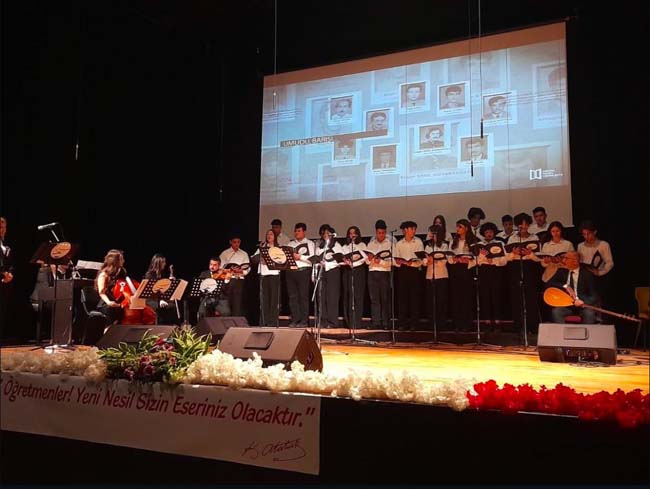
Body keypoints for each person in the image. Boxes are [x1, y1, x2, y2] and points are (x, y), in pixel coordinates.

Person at [506, 213, 541, 336]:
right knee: (517, 297)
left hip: (530, 267)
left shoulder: (534, 237)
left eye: (526, 224)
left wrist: (530, 254)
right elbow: (507, 257)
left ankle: (533, 326)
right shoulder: (512, 238)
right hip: (516, 266)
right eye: (521, 224)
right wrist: (514, 253)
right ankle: (519, 326)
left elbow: (539, 258)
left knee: (530, 297)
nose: (523, 226)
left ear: (529, 224)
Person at [546, 251, 599, 324]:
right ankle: (562, 331)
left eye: (566, 258)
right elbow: (549, 284)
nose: (563, 261)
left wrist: (583, 302)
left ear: (575, 261)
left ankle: (586, 331)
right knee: (556, 312)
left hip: (583, 306)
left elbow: (594, 296)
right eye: (563, 258)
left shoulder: (587, 274)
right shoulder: (561, 271)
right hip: (567, 305)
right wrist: (565, 285)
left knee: (589, 313)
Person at [476, 222, 508, 330]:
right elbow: (476, 261)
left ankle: (498, 319)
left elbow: (505, 260)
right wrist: (483, 257)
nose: (489, 234)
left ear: (494, 232)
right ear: (483, 233)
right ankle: (487, 320)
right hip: (484, 271)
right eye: (486, 232)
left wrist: (494, 261)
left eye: (491, 232)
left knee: (496, 295)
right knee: (485, 295)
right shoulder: (480, 244)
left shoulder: (500, 243)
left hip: (496, 270)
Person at [447, 219, 477, 332]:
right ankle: (457, 323)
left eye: (460, 227)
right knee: (456, 297)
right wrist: (453, 259)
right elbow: (449, 256)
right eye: (457, 227)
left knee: (466, 297)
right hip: (455, 269)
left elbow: (477, 257)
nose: (458, 229)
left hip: (467, 270)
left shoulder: (472, 241)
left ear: (466, 228)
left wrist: (468, 261)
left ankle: (466, 323)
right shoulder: (453, 241)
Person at [394, 221, 424, 331]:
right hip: (402, 271)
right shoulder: (399, 243)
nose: (414, 231)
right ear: (405, 230)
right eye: (412, 229)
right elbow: (395, 260)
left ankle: (414, 324)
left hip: (414, 271)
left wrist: (412, 263)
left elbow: (421, 260)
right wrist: (399, 262)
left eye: (415, 229)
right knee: (402, 298)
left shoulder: (418, 242)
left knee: (414, 298)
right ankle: (402, 323)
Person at [577, 220, 614, 305]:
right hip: (584, 277)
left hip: (598, 277)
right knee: (586, 300)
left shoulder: (603, 245)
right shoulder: (580, 246)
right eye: (584, 234)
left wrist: (600, 272)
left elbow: (609, 262)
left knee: (598, 299)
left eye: (588, 234)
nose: (586, 236)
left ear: (595, 232)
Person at [314, 224, 344, 328]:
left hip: (332, 272)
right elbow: (316, 260)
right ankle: (323, 321)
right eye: (323, 233)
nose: (325, 235)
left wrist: (326, 264)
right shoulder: (320, 246)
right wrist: (315, 272)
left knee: (332, 297)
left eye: (327, 233)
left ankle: (332, 322)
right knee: (321, 297)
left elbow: (340, 260)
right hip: (321, 272)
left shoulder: (336, 245)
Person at [287, 222, 315, 327]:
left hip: (304, 271)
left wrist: (300, 257)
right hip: (291, 271)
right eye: (295, 231)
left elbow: (312, 259)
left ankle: (304, 320)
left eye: (299, 231)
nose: (296, 233)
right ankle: (295, 319)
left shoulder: (310, 243)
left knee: (303, 296)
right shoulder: (290, 244)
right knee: (292, 297)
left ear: (304, 232)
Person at [365, 220, 392, 329]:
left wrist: (380, 261)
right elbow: (366, 261)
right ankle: (375, 322)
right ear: (376, 232)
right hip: (372, 273)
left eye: (383, 233)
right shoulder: (371, 244)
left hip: (384, 273)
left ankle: (385, 323)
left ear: (385, 232)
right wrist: (369, 259)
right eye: (379, 233)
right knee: (374, 299)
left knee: (385, 299)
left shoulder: (389, 244)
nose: (381, 235)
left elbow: (391, 262)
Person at [341, 226, 368, 330]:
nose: (352, 235)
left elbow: (364, 258)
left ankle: (357, 322)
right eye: (350, 233)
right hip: (347, 271)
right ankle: (349, 323)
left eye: (354, 233)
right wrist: (346, 262)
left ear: (357, 234)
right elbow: (341, 258)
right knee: (348, 296)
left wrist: (354, 264)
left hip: (358, 271)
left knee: (358, 296)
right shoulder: (345, 246)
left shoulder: (362, 245)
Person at [253, 230, 281, 327]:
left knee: (273, 299)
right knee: (264, 299)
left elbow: (282, 260)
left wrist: (271, 260)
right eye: (267, 234)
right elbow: (253, 258)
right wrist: (261, 258)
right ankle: (264, 321)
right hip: (263, 275)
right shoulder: (262, 247)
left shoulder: (278, 247)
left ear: (275, 236)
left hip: (274, 274)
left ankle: (272, 321)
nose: (269, 236)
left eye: (271, 234)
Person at [424, 224, 449, 330]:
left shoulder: (444, 245)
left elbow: (444, 260)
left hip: (441, 275)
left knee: (441, 300)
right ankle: (432, 323)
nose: (431, 235)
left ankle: (441, 323)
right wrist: (427, 261)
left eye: (432, 233)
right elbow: (424, 260)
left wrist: (433, 260)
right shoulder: (428, 246)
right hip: (430, 275)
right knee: (431, 301)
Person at [219, 234, 251, 316]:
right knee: (228, 300)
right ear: (230, 242)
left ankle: (236, 318)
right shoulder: (225, 253)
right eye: (234, 242)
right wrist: (230, 270)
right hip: (229, 279)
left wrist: (241, 271)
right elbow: (220, 267)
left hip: (239, 279)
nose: (236, 244)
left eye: (238, 242)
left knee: (238, 302)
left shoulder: (244, 254)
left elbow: (248, 268)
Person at [95, 249, 127, 325]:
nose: (123, 261)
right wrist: (109, 302)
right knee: (111, 310)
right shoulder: (104, 275)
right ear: (115, 261)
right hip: (105, 303)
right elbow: (101, 293)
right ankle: (108, 329)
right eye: (121, 259)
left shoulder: (120, 273)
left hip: (116, 302)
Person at [143, 253, 176, 324]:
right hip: (152, 301)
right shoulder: (149, 275)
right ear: (158, 263)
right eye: (163, 262)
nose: (165, 264)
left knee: (172, 305)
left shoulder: (162, 274)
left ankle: (169, 327)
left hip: (160, 299)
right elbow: (151, 293)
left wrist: (170, 282)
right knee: (167, 307)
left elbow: (163, 290)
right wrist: (160, 301)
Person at [0, 216, 14, 335]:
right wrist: (3, 273)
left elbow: (10, 263)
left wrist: (10, 273)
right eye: (0, 227)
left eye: (4, 227)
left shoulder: (5, 244)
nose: (3, 230)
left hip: (5, 281)